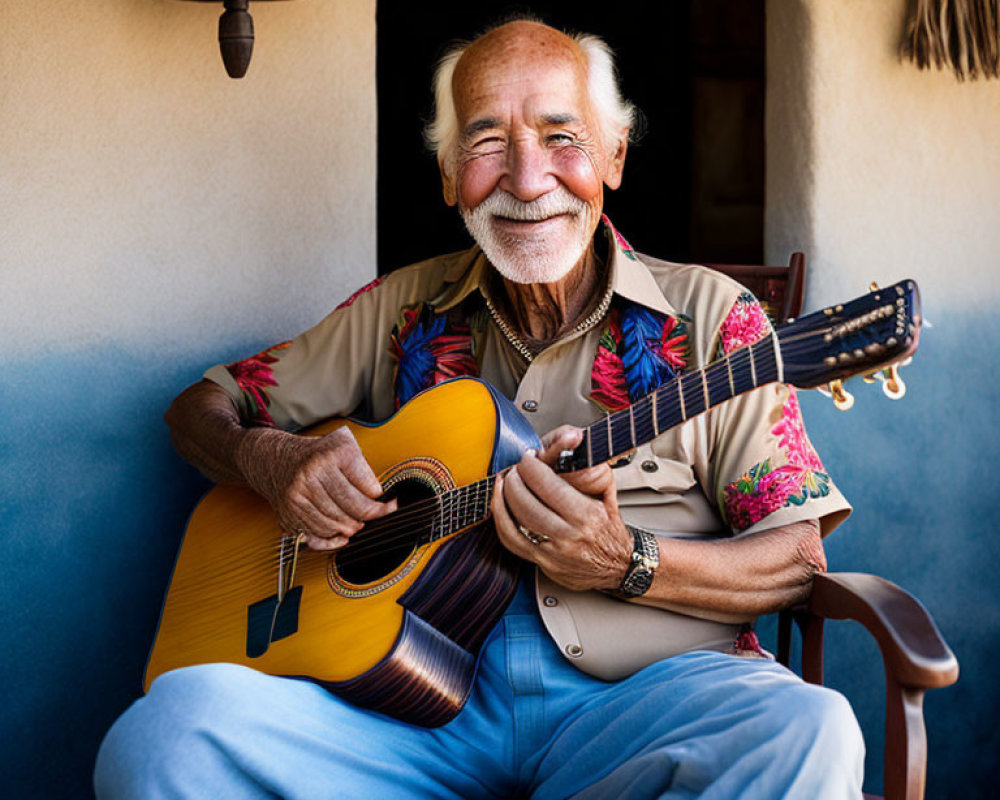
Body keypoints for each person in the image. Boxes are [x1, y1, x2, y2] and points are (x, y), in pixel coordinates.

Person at [95, 18, 864, 800]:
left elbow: (795, 563)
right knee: (169, 733)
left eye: (563, 138)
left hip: (642, 708)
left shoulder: (716, 320)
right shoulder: (401, 311)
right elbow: (201, 407)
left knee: (810, 731)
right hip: (408, 716)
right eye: (487, 142)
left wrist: (625, 559)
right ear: (445, 172)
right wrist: (271, 462)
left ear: (615, 156)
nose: (527, 180)